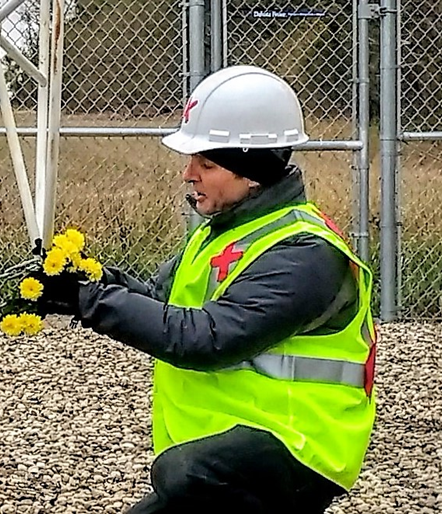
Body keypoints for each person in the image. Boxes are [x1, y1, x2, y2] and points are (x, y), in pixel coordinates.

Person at [33, 65, 377, 513]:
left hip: (294, 448)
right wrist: (91, 283)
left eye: (207, 163)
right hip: (228, 447)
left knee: (184, 475)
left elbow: (207, 337)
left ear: (251, 172)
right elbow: (163, 306)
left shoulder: (305, 253)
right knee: (183, 476)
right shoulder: (226, 230)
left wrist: (91, 301)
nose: (187, 174)